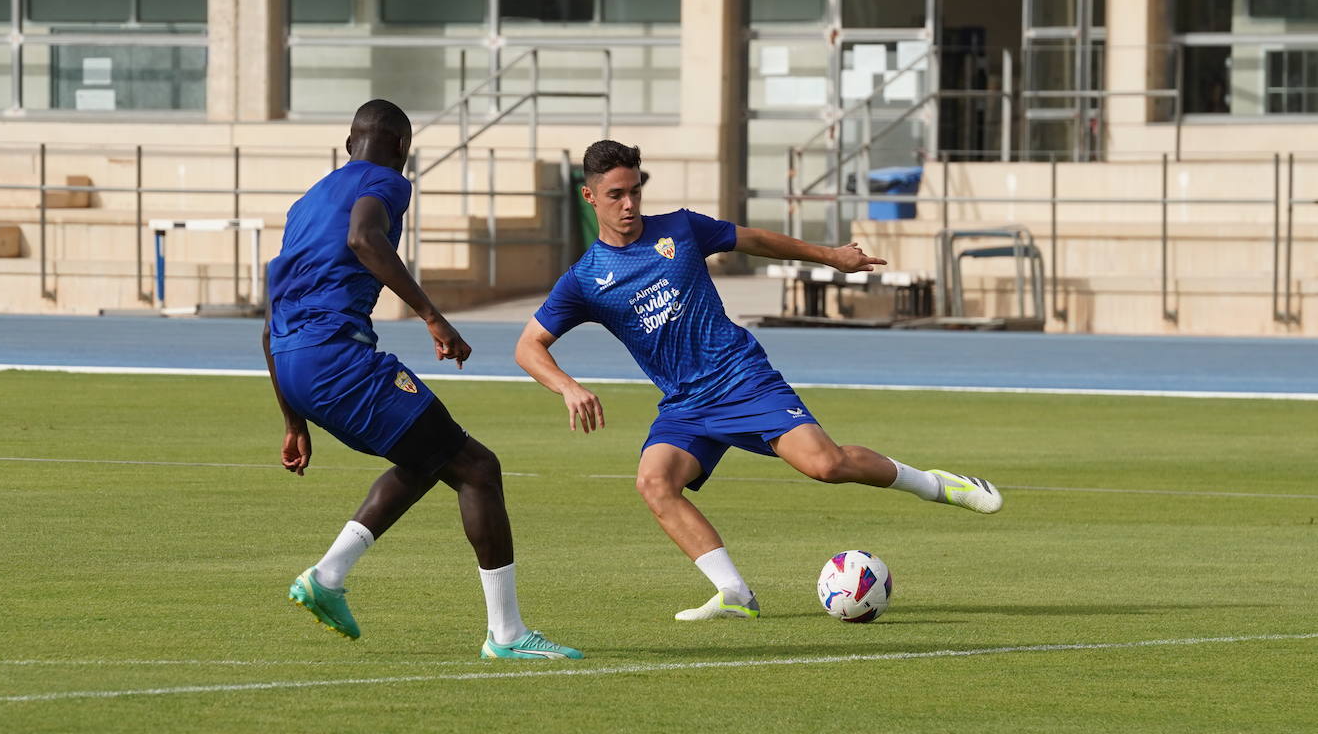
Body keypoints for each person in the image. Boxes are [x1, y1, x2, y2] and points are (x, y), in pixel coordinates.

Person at [515, 140, 1002, 622]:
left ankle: (934, 485)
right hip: (686, 404)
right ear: (590, 197)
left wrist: (830, 256)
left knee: (825, 465)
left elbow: (755, 240)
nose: (629, 204)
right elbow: (528, 347)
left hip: (742, 378)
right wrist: (568, 386)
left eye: (635, 191)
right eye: (617, 194)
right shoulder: (584, 279)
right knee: (655, 482)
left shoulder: (680, 228)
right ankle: (733, 593)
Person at [261, 99, 581, 659]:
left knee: (426, 458)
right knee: (477, 468)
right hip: (338, 359)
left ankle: (329, 578)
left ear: (346, 145)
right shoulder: (386, 181)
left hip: (293, 361)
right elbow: (365, 237)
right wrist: (432, 315)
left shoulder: (305, 204)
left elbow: (271, 320)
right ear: (403, 150)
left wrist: (293, 418)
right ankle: (505, 635)